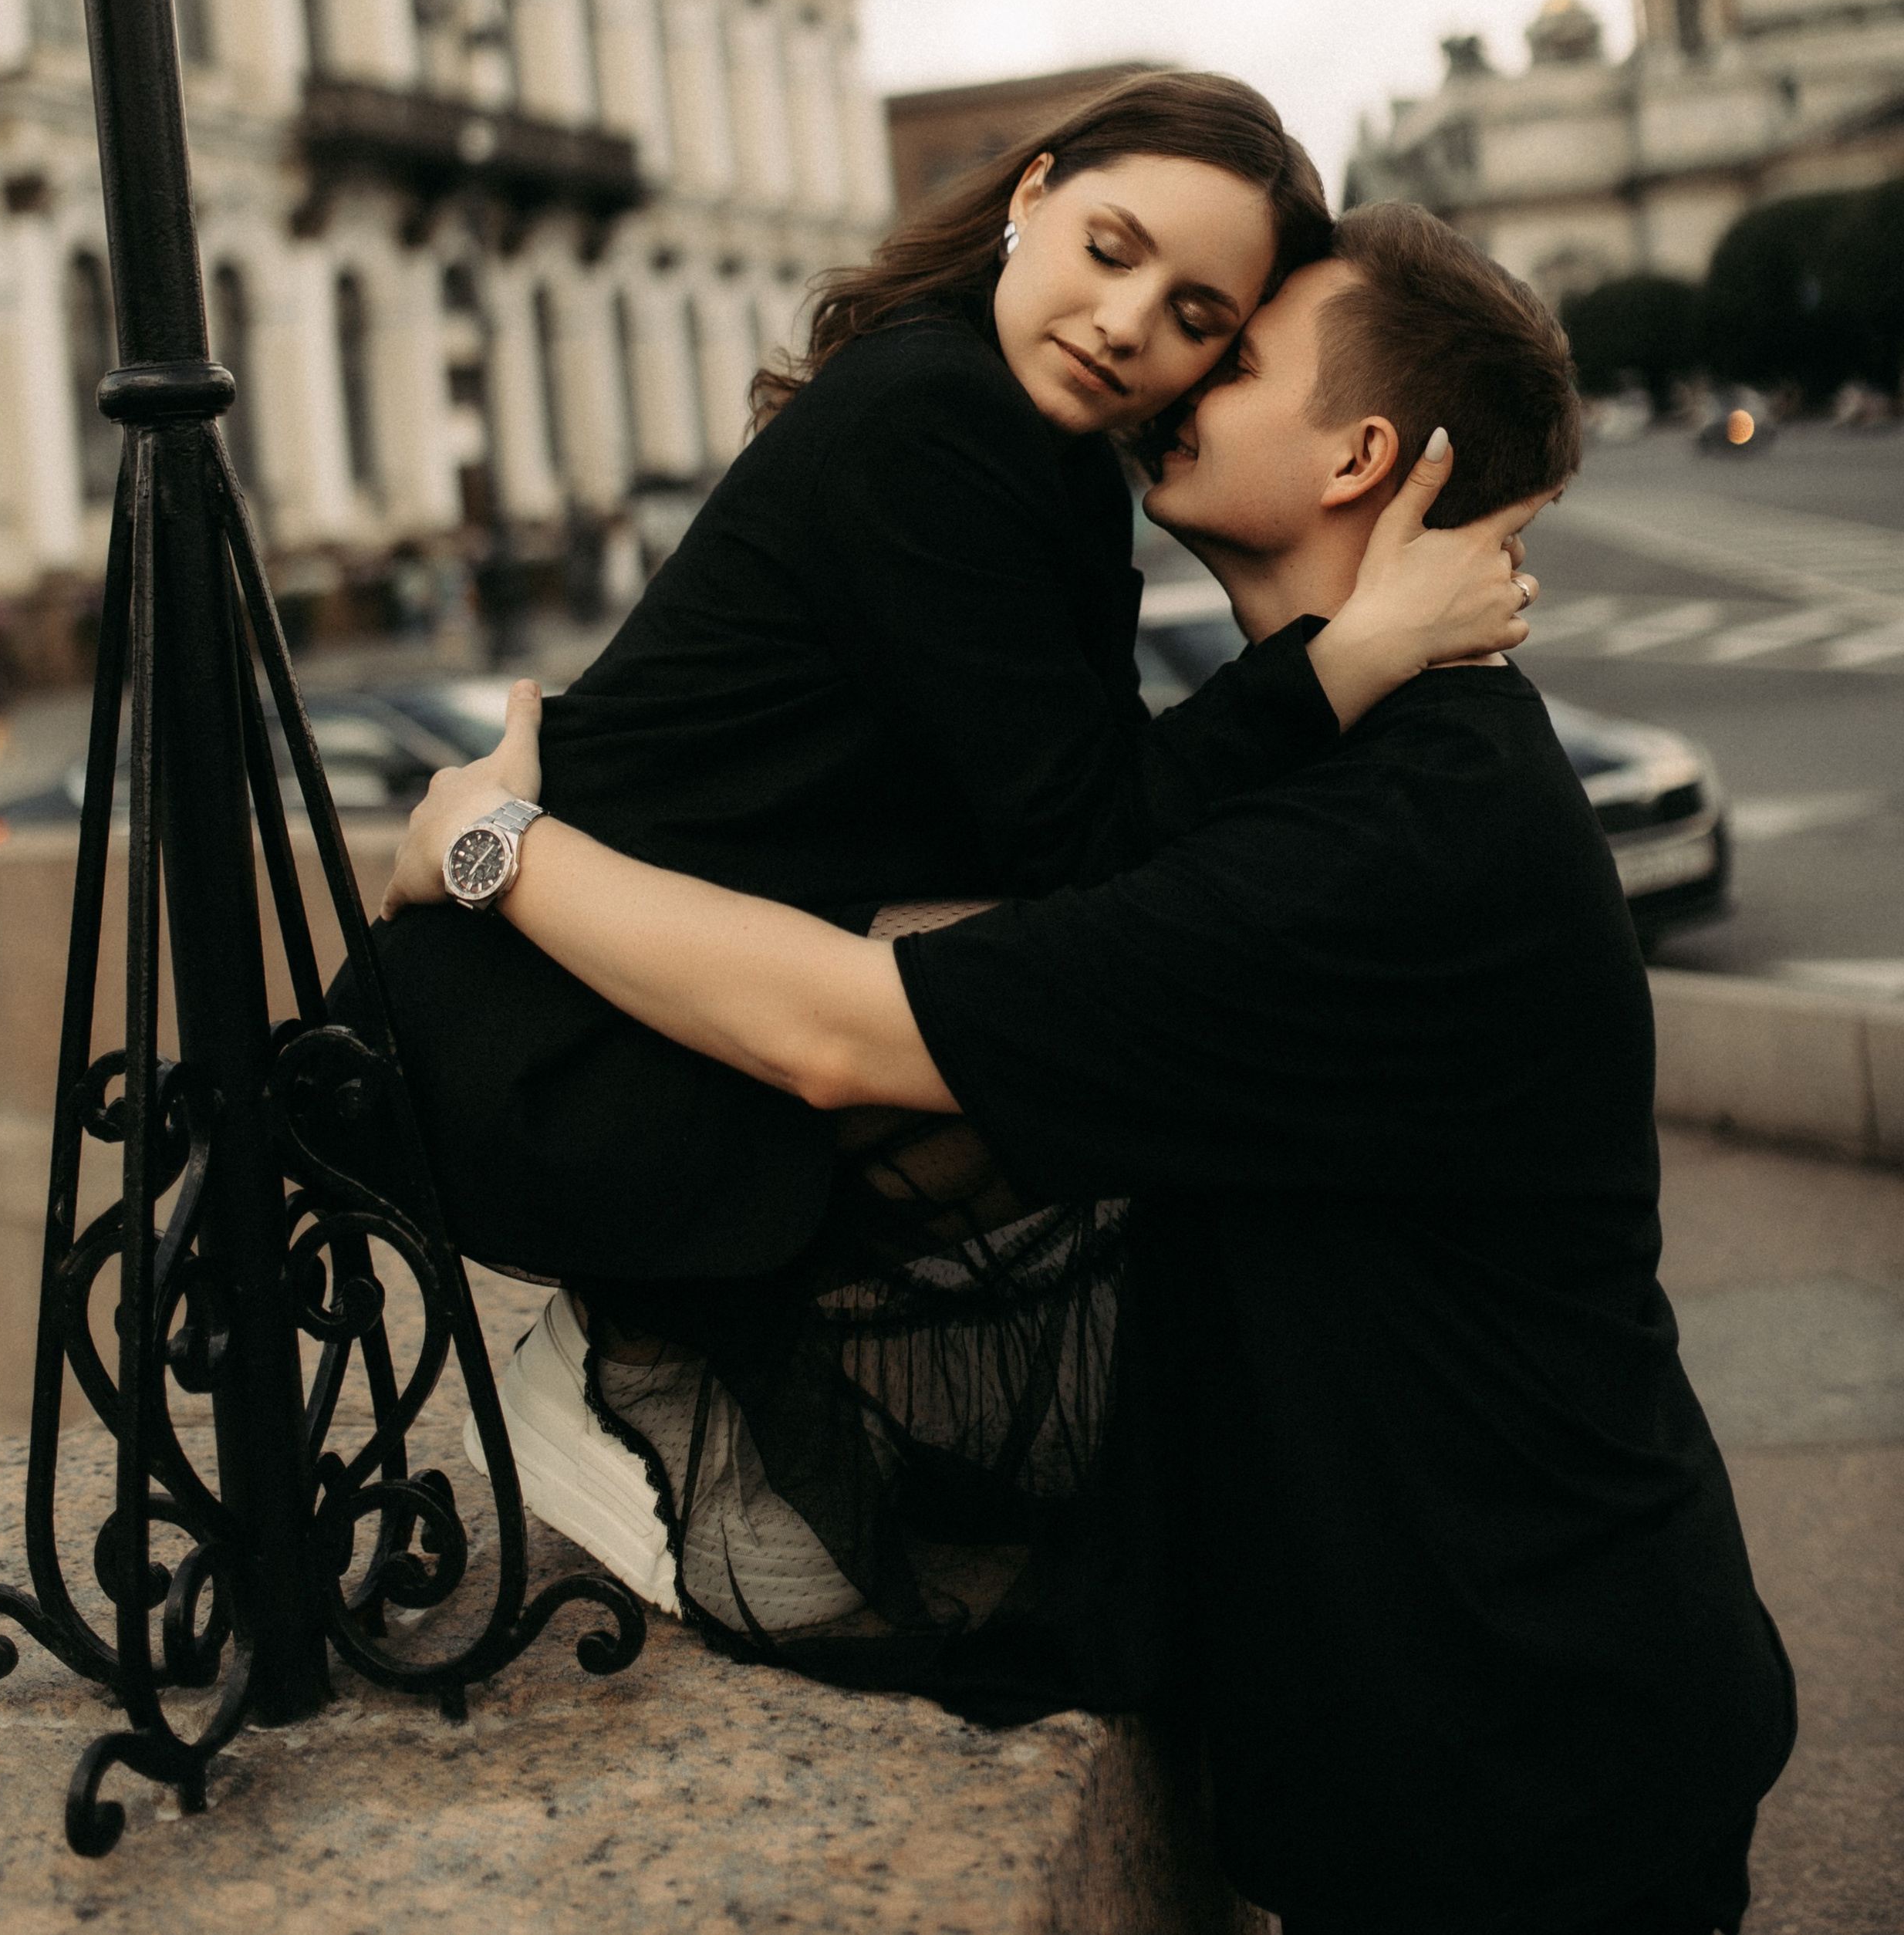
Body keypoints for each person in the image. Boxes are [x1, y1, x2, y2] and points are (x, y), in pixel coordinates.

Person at [381, 203, 1791, 1935]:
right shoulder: (1363, 757)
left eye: (1234, 350)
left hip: (1529, 1751)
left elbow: (847, 1031)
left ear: (1358, 454)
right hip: (1462, 1701)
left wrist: (496, 844)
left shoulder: (1403, 838)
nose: (1170, 371)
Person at [336, 73, 1535, 1598]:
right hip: (550, 1043)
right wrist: (1344, 657)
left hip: (611, 1003)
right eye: (1110, 248)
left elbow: (1080, 807)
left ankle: (664, 1343)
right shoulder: (936, 410)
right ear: (1031, 194)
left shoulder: (1033, 451)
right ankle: (628, 1348)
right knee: (1095, 1008)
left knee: (1084, 994)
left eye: (1196, 318)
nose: (1128, 325)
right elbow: (1091, 843)